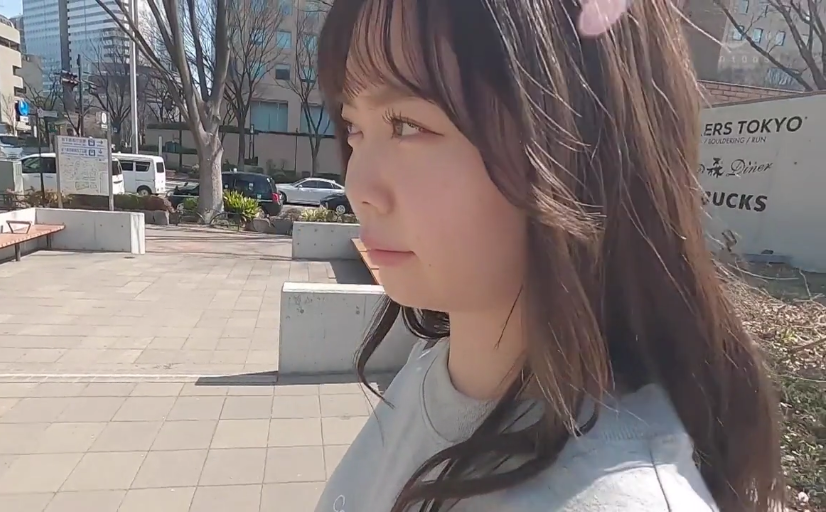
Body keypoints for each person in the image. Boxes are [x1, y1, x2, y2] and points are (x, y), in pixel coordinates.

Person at [314, 0, 784, 511]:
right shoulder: (433, 369)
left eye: (407, 125)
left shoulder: (614, 499)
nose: (357, 185)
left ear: (579, 144)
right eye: (354, 127)